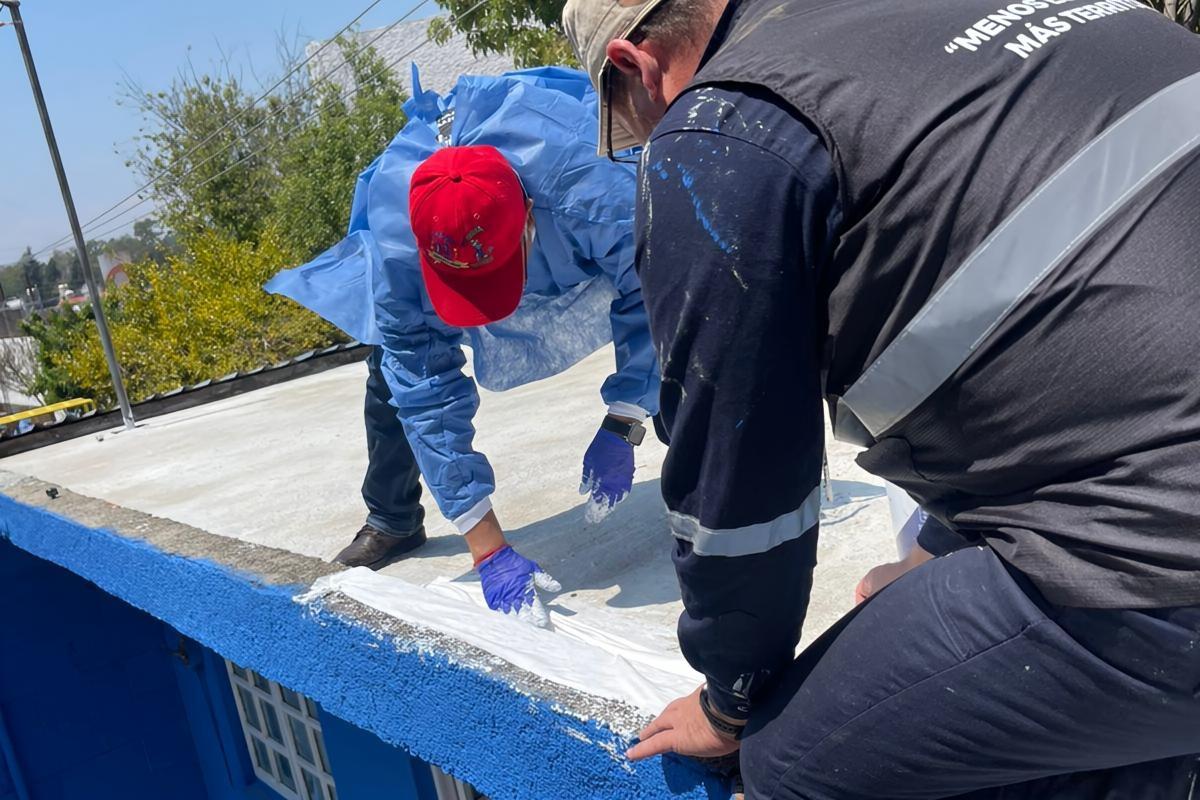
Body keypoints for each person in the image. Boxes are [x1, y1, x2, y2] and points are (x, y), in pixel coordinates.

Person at [563, 0, 1200, 795]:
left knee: (794, 762)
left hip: (1165, 558)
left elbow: (740, 477)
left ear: (634, 66)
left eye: (631, 127)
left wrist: (729, 700)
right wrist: (940, 545)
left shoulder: (720, 131)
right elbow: (1073, 321)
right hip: (1165, 498)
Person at [267, 66, 659, 626]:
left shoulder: (592, 186)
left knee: (687, 338)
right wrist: (487, 548)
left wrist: (626, 420)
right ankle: (393, 517)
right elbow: (425, 389)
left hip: (568, 199)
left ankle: (698, 465)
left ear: (529, 217)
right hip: (440, 244)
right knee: (393, 374)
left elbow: (653, 292)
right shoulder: (398, 252)